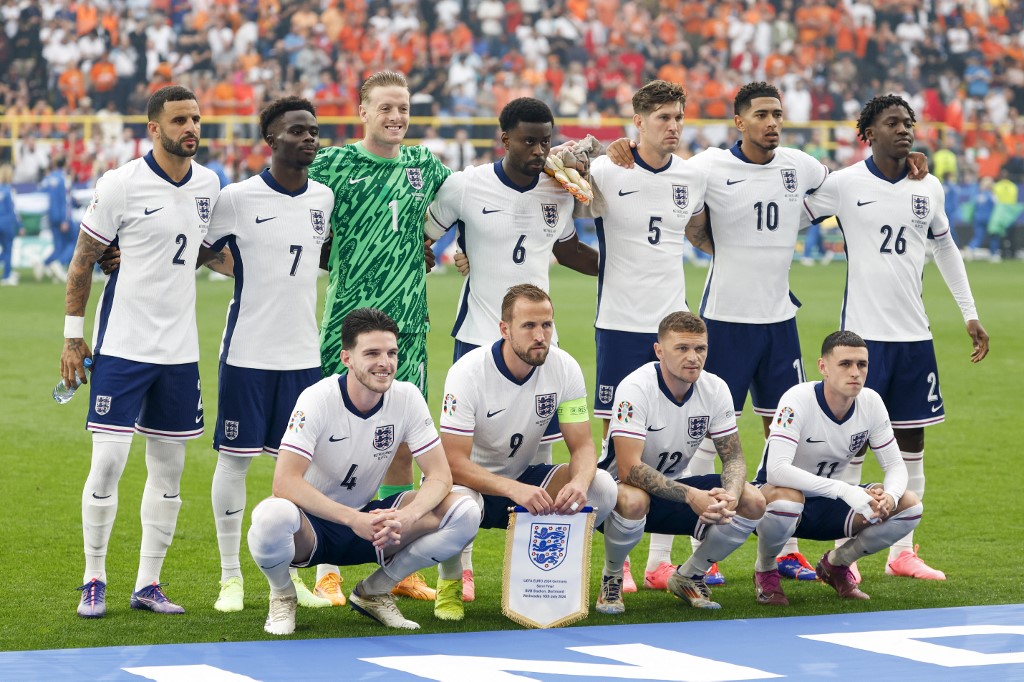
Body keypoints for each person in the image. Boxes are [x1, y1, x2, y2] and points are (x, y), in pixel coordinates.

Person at [803, 94, 989, 580]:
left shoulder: (929, 187)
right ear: (869, 133)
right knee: (853, 444)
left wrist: (969, 314)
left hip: (914, 336)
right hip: (861, 342)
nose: (905, 129)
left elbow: (946, 249)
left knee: (912, 442)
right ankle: (845, 550)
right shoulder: (844, 185)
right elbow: (790, 217)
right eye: (893, 123)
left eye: (909, 122)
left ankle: (902, 553)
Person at [424, 98, 599, 600]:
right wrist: (459, 255)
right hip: (479, 340)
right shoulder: (464, 186)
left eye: (546, 140)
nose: (538, 150)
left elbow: (566, 251)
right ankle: (453, 578)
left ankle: (531, 579)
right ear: (504, 139)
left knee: (535, 461)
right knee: (466, 463)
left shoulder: (559, 188)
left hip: (542, 348)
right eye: (528, 140)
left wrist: (626, 265)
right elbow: (422, 239)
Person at [61, 85, 221, 618]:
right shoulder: (121, 184)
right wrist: (71, 336)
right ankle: (94, 577)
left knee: (169, 472)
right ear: (154, 128)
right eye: (179, 120)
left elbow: (196, 251)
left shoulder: (209, 184)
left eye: (196, 119)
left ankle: (148, 583)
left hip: (178, 353)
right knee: (108, 463)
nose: (190, 128)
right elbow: (83, 260)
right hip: (122, 347)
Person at [307, 70, 452, 602]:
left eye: (404, 108)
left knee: (400, 444)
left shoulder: (423, 165)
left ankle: (392, 557)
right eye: (386, 108)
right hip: (349, 322)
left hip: (410, 322)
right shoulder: (335, 163)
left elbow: (471, 198)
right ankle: (326, 565)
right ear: (363, 111)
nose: (396, 117)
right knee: (332, 439)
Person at [246, 308, 479, 635]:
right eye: (372, 353)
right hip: (311, 527)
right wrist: (353, 519)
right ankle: (283, 595)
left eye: (391, 352)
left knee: (465, 511)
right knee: (270, 516)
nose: (385, 362)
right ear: (347, 358)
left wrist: (407, 516)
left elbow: (440, 476)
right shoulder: (317, 399)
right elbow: (284, 482)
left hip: (373, 524)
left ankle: (375, 590)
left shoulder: (407, 397)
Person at [203, 97, 335, 613]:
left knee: (298, 471)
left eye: (313, 130)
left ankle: (292, 575)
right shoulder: (237, 198)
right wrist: (243, 272)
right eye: (296, 130)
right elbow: (201, 249)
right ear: (270, 141)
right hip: (248, 353)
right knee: (234, 463)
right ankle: (230, 577)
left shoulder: (322, 197)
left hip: (303, 356)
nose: (308, 138)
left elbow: (319, 256)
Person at [581, 80, 712, 592]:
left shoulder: (692, 175)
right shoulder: (606, 169)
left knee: (680, 435)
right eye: (662, 117)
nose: (673, 126)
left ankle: (662, 558)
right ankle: (620, 556)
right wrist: (592, 146)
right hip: (618, 321)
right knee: (616, 445)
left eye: (678, 116)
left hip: (673, 322)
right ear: (637, 121)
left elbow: (702, 233)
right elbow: (555, 170)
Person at [434, 284, 618, 622]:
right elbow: (452, 463)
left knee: (602, 486)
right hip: (469, 483)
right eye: (529, 326)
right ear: (504, 329)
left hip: (522, 479)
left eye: (547, 325)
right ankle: (450, 583)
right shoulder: (468, 372)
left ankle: (548, 578)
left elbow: (583, 445)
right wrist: (512, 488)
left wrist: (579, 482)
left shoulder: (565, 367)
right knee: (460, 508)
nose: (540, 335)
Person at [596, 311, 765, 614]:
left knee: (753, 501)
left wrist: (732, 494)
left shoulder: (715, 388)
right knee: (633, 500)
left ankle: (689, 575)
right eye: (682, 348)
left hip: (675, 487)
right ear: (659, 350)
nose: (693, 358)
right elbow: (628, 468)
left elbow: (734, 457)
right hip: (616, 493)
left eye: (700, 349)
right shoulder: (636, 388)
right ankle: (612, 576)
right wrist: (692, 496)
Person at [752, 331, 924, 604]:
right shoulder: (797, 399)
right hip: (773, 503)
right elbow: (777, 471)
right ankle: (765, 570)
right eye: (845, 364)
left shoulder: (871, 402)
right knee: (788, 500)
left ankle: (836, 564)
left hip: (829, 500)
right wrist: (845, 490)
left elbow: (894, 465)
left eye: (862, 365)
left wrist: (889, 497)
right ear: (823, 367)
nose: (855, 372)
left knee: (910, 505)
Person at [35, 157, 72, 282]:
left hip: (51, 216)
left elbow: (39, 193)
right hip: (62, 217)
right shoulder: (64, 178)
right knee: (73, 241)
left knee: (58, 246)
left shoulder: (48, 179)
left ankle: (45, 263)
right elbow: (66, 200)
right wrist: (65, 219)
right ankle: (59, 263)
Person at [0, 164, 21, 286]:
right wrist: (20, 226)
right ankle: (7, 276)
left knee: (4, 249)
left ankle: (9, 272)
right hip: (7, 223)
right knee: (8, 250)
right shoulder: (9, 190)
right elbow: (13, 211)